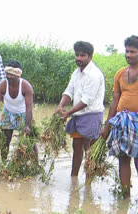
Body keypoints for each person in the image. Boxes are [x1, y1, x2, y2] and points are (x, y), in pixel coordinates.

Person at [54, 41, 105, 176]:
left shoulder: (94, 74)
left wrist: (68, 113)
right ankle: (74, 177)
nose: (79, 58)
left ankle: (89, 181)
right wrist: (61, 105)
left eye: (82, 55)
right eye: (77, 55)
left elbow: (86, 101)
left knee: (89, 148)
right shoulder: (76, 73)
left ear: (90, 56)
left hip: (92, 115)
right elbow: (69, 91)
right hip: (78, 114)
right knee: (76, 147)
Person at [100, 35, 138, 197]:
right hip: (121, 122)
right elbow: (114, 101)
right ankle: (125, 196)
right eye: (127, 51)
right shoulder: (120, 74)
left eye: (132, 52)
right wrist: (107, 126)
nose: (128, 55)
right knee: (123, 158)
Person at [0, 60, 34, 160]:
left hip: (23, 113)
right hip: (8, 112)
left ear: (18, 75)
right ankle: (4, 164)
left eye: (12, 74)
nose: (9, 76)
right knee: (5, 141)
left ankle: (35, 163)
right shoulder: (2, 86)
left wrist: (27, 125)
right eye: (7, 73)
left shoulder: (26, 87)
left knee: (29, 141)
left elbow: (29, 108)